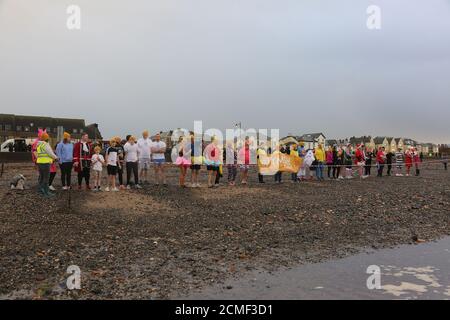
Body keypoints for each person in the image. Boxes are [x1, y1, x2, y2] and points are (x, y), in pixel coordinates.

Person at [34, 132, 58, 197]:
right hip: (46, 164)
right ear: (47, 139)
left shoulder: (39, 145)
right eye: (48, 138)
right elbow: (50, 153)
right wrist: (56, 158)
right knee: (46, 178)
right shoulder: (46, 145)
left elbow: (37, 153)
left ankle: (40, 190)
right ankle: (46, 192)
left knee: (41, 177)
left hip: (40, 163)